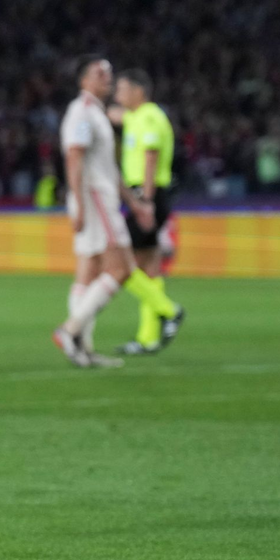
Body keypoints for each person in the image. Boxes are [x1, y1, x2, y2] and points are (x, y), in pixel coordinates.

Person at [52, 56, 184, 368]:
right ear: (84, 80)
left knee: (89, 270)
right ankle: (71, 330)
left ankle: (81, 348)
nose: (108, 79)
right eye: (100, 74)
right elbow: (74, 156)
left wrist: (136, 203)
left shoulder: (97, 112)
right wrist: (79, 203)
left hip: (100, 196)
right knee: (122, 268)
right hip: (96, 199)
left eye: (109, 74)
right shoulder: (83, 112)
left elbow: (108, 166)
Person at [109, 69, 177, 355]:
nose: (117, 94)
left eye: (122, 89)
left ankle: (169, 310)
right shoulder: (136, 116)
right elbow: (114, 115)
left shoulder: (150, 117)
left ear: (139, 91)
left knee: (121, 264)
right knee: (149, 267)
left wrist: (146, 202)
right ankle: (148, 338)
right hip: (144, 195)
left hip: (148, 195)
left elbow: (151, 158)